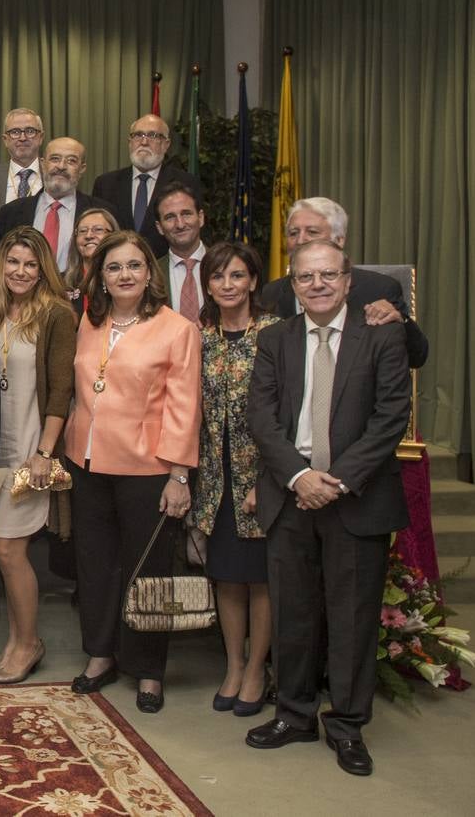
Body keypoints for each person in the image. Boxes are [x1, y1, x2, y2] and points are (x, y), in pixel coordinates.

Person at [245, 240, 411, 777]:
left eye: (328, 276)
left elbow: (391, 417)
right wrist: (299, 476)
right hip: (291, 496)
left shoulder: (383, 336)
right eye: (305, 277)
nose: (316, 284)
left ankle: (346, 725)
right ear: (292, 284)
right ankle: (293, 714)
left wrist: (334, 482)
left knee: (352, 619)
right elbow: (262, 417)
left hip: (355, 498)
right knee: (293, 615)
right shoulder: (275, 340)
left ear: (347, 281)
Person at [64, 230, 200, 714]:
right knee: (95, 565)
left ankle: (148, 670)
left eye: (133, 266)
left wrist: (179, 476)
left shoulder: (177, 329)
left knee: (149, 574)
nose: (124, 275)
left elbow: (186, 408)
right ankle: (101, 654)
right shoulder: (89, 322)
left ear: (149, 273)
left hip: (149, 468)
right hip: (88, 462)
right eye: (114, 267)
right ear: (101, 276)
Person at [0, 227, 76, 684]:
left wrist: (44, 452)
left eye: (31, 264)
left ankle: (28, 642)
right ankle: (17, 641)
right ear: (2, 265)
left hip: (28, 450)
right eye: (13, 262)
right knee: (0, 555)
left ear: (43, 270)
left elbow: (61, 391)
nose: (21, 271)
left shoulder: (56, 314)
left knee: (10, 550)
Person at [188, 241, 278, 716]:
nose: (227, 285)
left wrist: (269, 478)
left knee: (259, 578)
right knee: (225, 576)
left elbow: (288, 412)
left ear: (253, 281)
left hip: (260, 475)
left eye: (237, 276)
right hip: (212, 476)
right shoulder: (199, 335)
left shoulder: (276, 334)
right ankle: (234, 664)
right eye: (218, 277)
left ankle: (258, 667)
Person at [256, 197, 428, 368]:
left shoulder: (379, 288)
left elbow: (416, 358)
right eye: (293, 233)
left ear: (339, 240)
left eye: (312, 232)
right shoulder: (273, 292)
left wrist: (400, 321)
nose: (300, 240)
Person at [0, 137, 115, 271]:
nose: (61, 166)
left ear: (82, 168)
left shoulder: (103, 212)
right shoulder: (10, 212)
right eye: (55, 159)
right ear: (42, 164)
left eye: (71, 161)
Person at [91, 113, 204, 258]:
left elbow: (193, 233)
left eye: (153, 135)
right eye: (138, 135)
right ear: (130, 142)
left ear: (166, 145)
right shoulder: (105, 184)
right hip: (119, 271)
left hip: (166, 270)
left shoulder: (186, 182)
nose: (144, 142)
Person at [0, 108, 45, 244]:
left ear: (40, 137)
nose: (23, 138)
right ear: (5, 140)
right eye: (15, 132)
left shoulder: (53, 176)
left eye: (30, 131)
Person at [152, 183, 207, 323]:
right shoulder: (151, 273)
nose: (180, 224)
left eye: (186, 214)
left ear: (200, 218)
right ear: (159, 227)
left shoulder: (225, 264)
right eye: (170, 217)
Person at [63, 208, 119, 316]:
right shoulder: (60, 282)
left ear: (114, 235)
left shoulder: (123, 278)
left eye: (98, 229)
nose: (88, 236)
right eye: (82, 231)